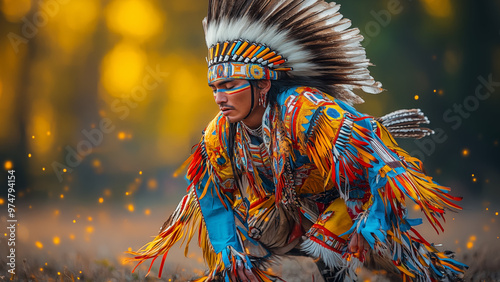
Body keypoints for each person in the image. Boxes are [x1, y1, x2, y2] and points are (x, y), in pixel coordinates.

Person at [129, 0, 468, 281]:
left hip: (350, 201)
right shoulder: (218, 134)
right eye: (215, 88)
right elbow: (214, 198)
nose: (220, 98)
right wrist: (230, 254)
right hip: (285, 210)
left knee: (385, 258)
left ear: (263, 84)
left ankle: (418, 264)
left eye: (230, 85)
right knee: (240, 248)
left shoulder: (304, 109)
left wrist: (370, 223)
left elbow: (370, 157)